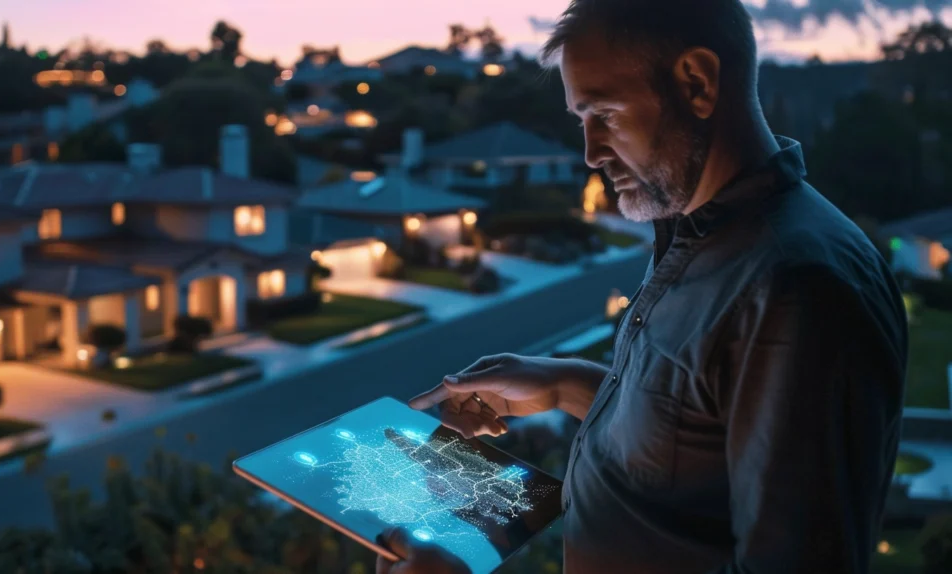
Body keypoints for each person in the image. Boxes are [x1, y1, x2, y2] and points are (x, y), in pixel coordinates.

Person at [375, 0, 908, 573]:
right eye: (582, 121)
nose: (590, 153)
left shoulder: (797, 291)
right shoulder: (704, 232)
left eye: (603, 113)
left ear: (697, 83)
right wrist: (566, 384)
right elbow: (699, 425)